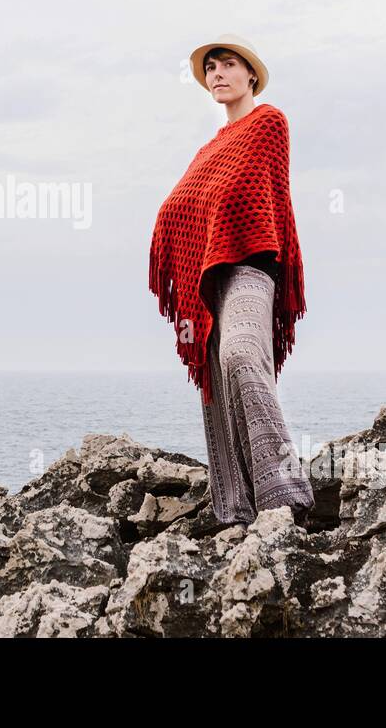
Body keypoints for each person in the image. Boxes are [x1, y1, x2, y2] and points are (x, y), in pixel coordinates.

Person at [147, 33, 314, 529]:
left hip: (252, 268)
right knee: (216, 386)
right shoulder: (208, 149)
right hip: (210, 279)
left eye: (227, 65)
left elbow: (244, 191)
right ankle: (237, 507)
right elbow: (176, 207)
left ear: (251, 75)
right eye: (210, 69)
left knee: (241, 355)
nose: (217, 74)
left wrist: (205, 218)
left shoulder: (268, 122)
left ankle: (285, 491)